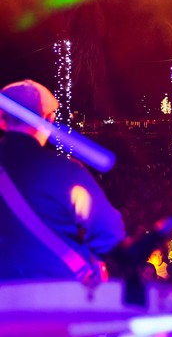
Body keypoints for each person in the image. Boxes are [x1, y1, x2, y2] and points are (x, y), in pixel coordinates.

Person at [0, 79, 125, 281]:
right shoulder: (64, 170)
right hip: (52, 296)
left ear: (1, 119)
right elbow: (108, 234)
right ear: (48, 120)